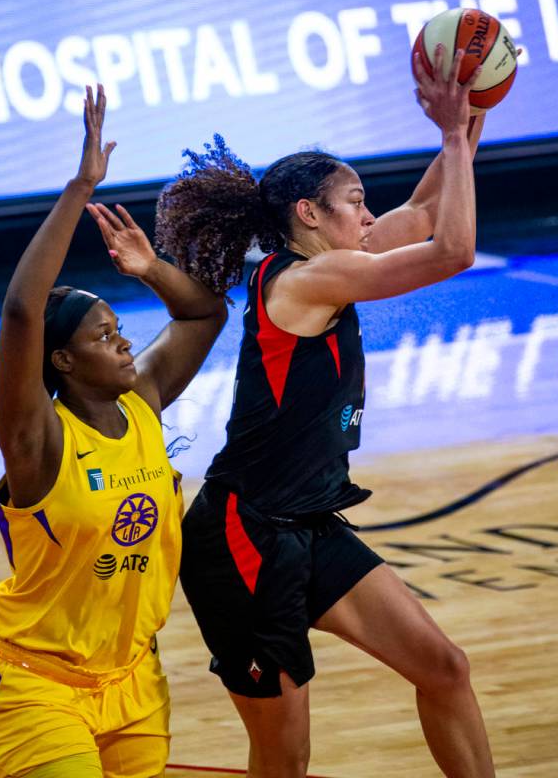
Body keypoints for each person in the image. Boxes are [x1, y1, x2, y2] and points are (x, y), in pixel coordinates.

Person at [156, 46, 497, 777]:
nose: (372, 217)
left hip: (304, 522)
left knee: (443, 666)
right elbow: (455, 248)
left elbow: (428, 210)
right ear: (309, 215)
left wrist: (469, 114)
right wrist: (446, 137)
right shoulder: (310, 279)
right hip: (243, 537)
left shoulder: (332, 262)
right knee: (286, 758)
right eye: (356, 205)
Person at [0, 84, 226, 778]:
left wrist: (149, 269)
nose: (123, 344)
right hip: (34, 686)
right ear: (62, 360)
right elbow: (22, 310)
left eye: (120, 330)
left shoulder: (143, 398)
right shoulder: (36, 440)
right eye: (103, 336)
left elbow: (203, 317)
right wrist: (80, 190)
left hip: (133, 679)